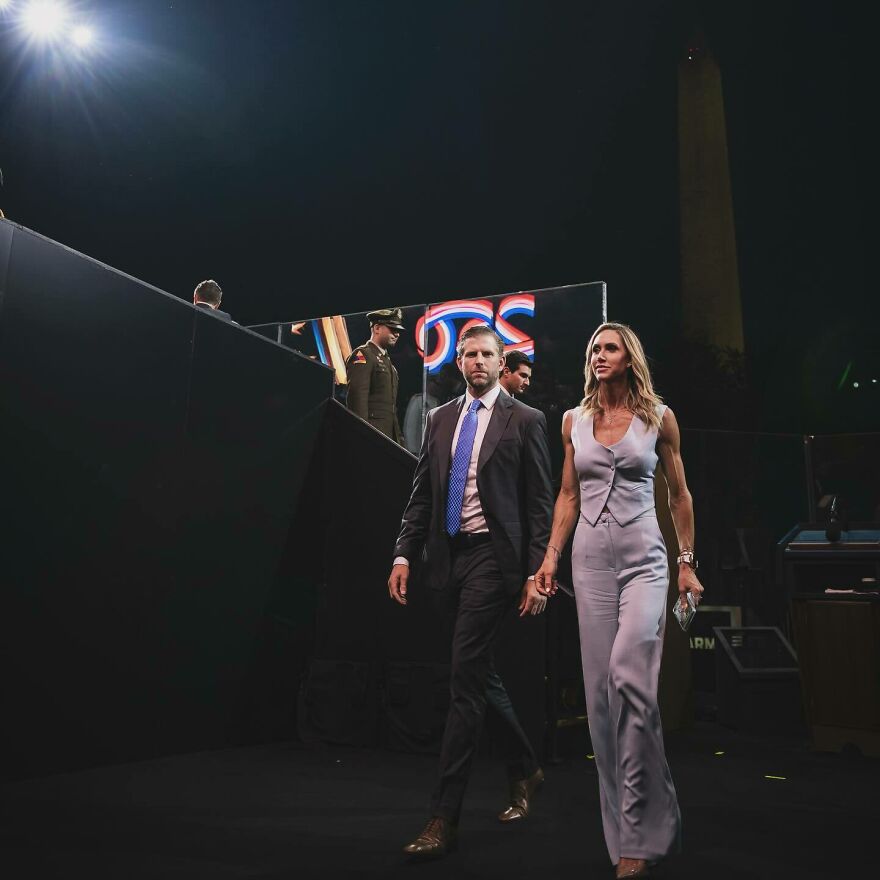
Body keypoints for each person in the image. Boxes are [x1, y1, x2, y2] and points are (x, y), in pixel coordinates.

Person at [534, 322, 704, 879]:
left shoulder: (659, 417)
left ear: (629, 357)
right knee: (601, 700)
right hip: (588, 563)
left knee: (631, 679)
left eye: (608, 348)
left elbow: (679, 495)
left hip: (645, 561)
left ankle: (640, 832)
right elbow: (566, 493)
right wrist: (550, 558)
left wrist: (686, 564)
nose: (598, 356)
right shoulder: (573, 422)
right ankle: (637, 827)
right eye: (593, 349)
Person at [389, 324, 554, 860]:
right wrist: (402, 554)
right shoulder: (438, 421)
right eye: (469, 355)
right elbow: (420, 497)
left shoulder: (526, 420)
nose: (477, 362)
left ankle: (443, 816)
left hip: (493, 561)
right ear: (458, 362)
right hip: (446, 560)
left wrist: (536, 572)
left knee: (464, 681)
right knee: (478, 672)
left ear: (500, 360)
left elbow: (538, 506)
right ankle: (525, 768)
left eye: (486, 354)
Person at [345, 308, 404, 443]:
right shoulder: (363, 355)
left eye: (398, 331)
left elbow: (391, 410)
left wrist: (398, 439)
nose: (397, 334)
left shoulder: (389, 364)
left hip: (386, 438)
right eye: (392, 329)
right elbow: (357, 399)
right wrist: (361, 436)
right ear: (377, 328)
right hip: (371, 437)